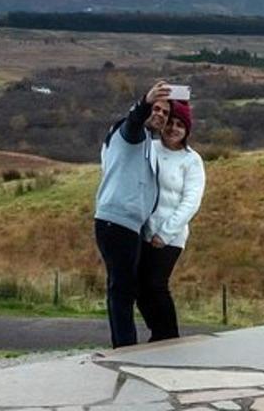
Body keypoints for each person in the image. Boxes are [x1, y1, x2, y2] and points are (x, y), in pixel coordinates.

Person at [93, 80, 170, 348]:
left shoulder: (148, 143)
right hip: (116, 221)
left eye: (165, 113)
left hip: (130, 225)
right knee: (122, 288)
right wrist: (145, 102)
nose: (159, 115)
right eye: (156, 110)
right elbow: (134, 121)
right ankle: (124, 346)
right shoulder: (130, 134)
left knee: (128, 286)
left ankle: (130, 342)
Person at [137, 98, 205, 342]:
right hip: (141, 230)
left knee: (156, 284)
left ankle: (169, 336)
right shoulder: (150, 148)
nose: (174, 128)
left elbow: (191, 202)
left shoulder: (191, 160)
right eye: (171, 122)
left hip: (170, 236)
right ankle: (159, 334)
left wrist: (165, 233)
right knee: (138, 288)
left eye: (180, 125)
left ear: (186, 130)